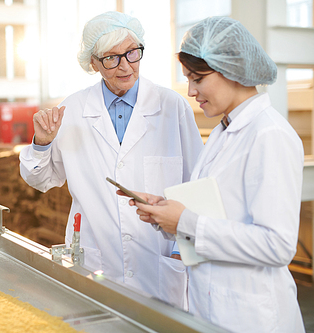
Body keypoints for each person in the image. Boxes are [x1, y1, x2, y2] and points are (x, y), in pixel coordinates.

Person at [123, 16, 305, 332]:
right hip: (213, 308)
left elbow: (277, 246)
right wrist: (167, 215)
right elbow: (220, 216)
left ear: (231, 69)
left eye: (197, 78)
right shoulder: (224, 130)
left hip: (254, 316)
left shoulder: (269, 135)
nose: (190, 90)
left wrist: (185, 222)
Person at [19, 11, 203, 308]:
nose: (125, 66)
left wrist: (182, 253)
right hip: (96, 261)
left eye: (132, 53)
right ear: (93, 63)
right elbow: (41, 180)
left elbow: (196, 183)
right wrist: (42, 143)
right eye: (111, 58)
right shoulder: (74, 110)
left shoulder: (172, 106)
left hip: (160, 264)